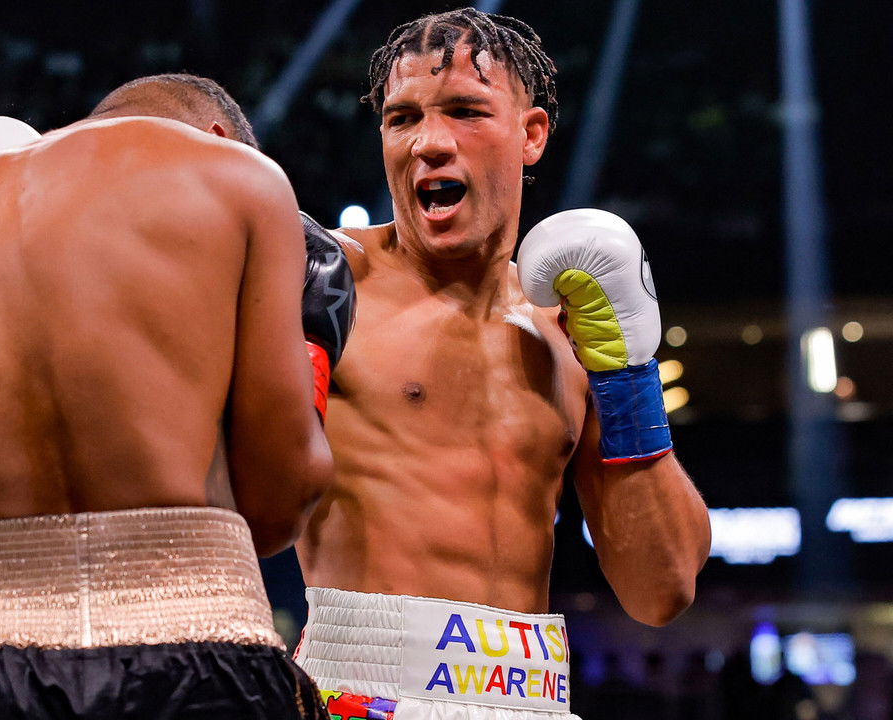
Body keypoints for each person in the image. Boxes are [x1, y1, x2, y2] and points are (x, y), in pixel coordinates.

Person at [0, 73, 349, 719]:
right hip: (187, 652)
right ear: (219, 137)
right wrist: (311, 353)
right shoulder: (235, 177)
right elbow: (277, 505)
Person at [291, 9, 711, 720]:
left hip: (531, 697)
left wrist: (627, 377)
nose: (428, 142)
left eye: (464, 111)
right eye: (401, 119)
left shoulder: (568, 331)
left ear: (531, 134)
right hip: (360, 688)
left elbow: (661, 589)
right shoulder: (326, 286)